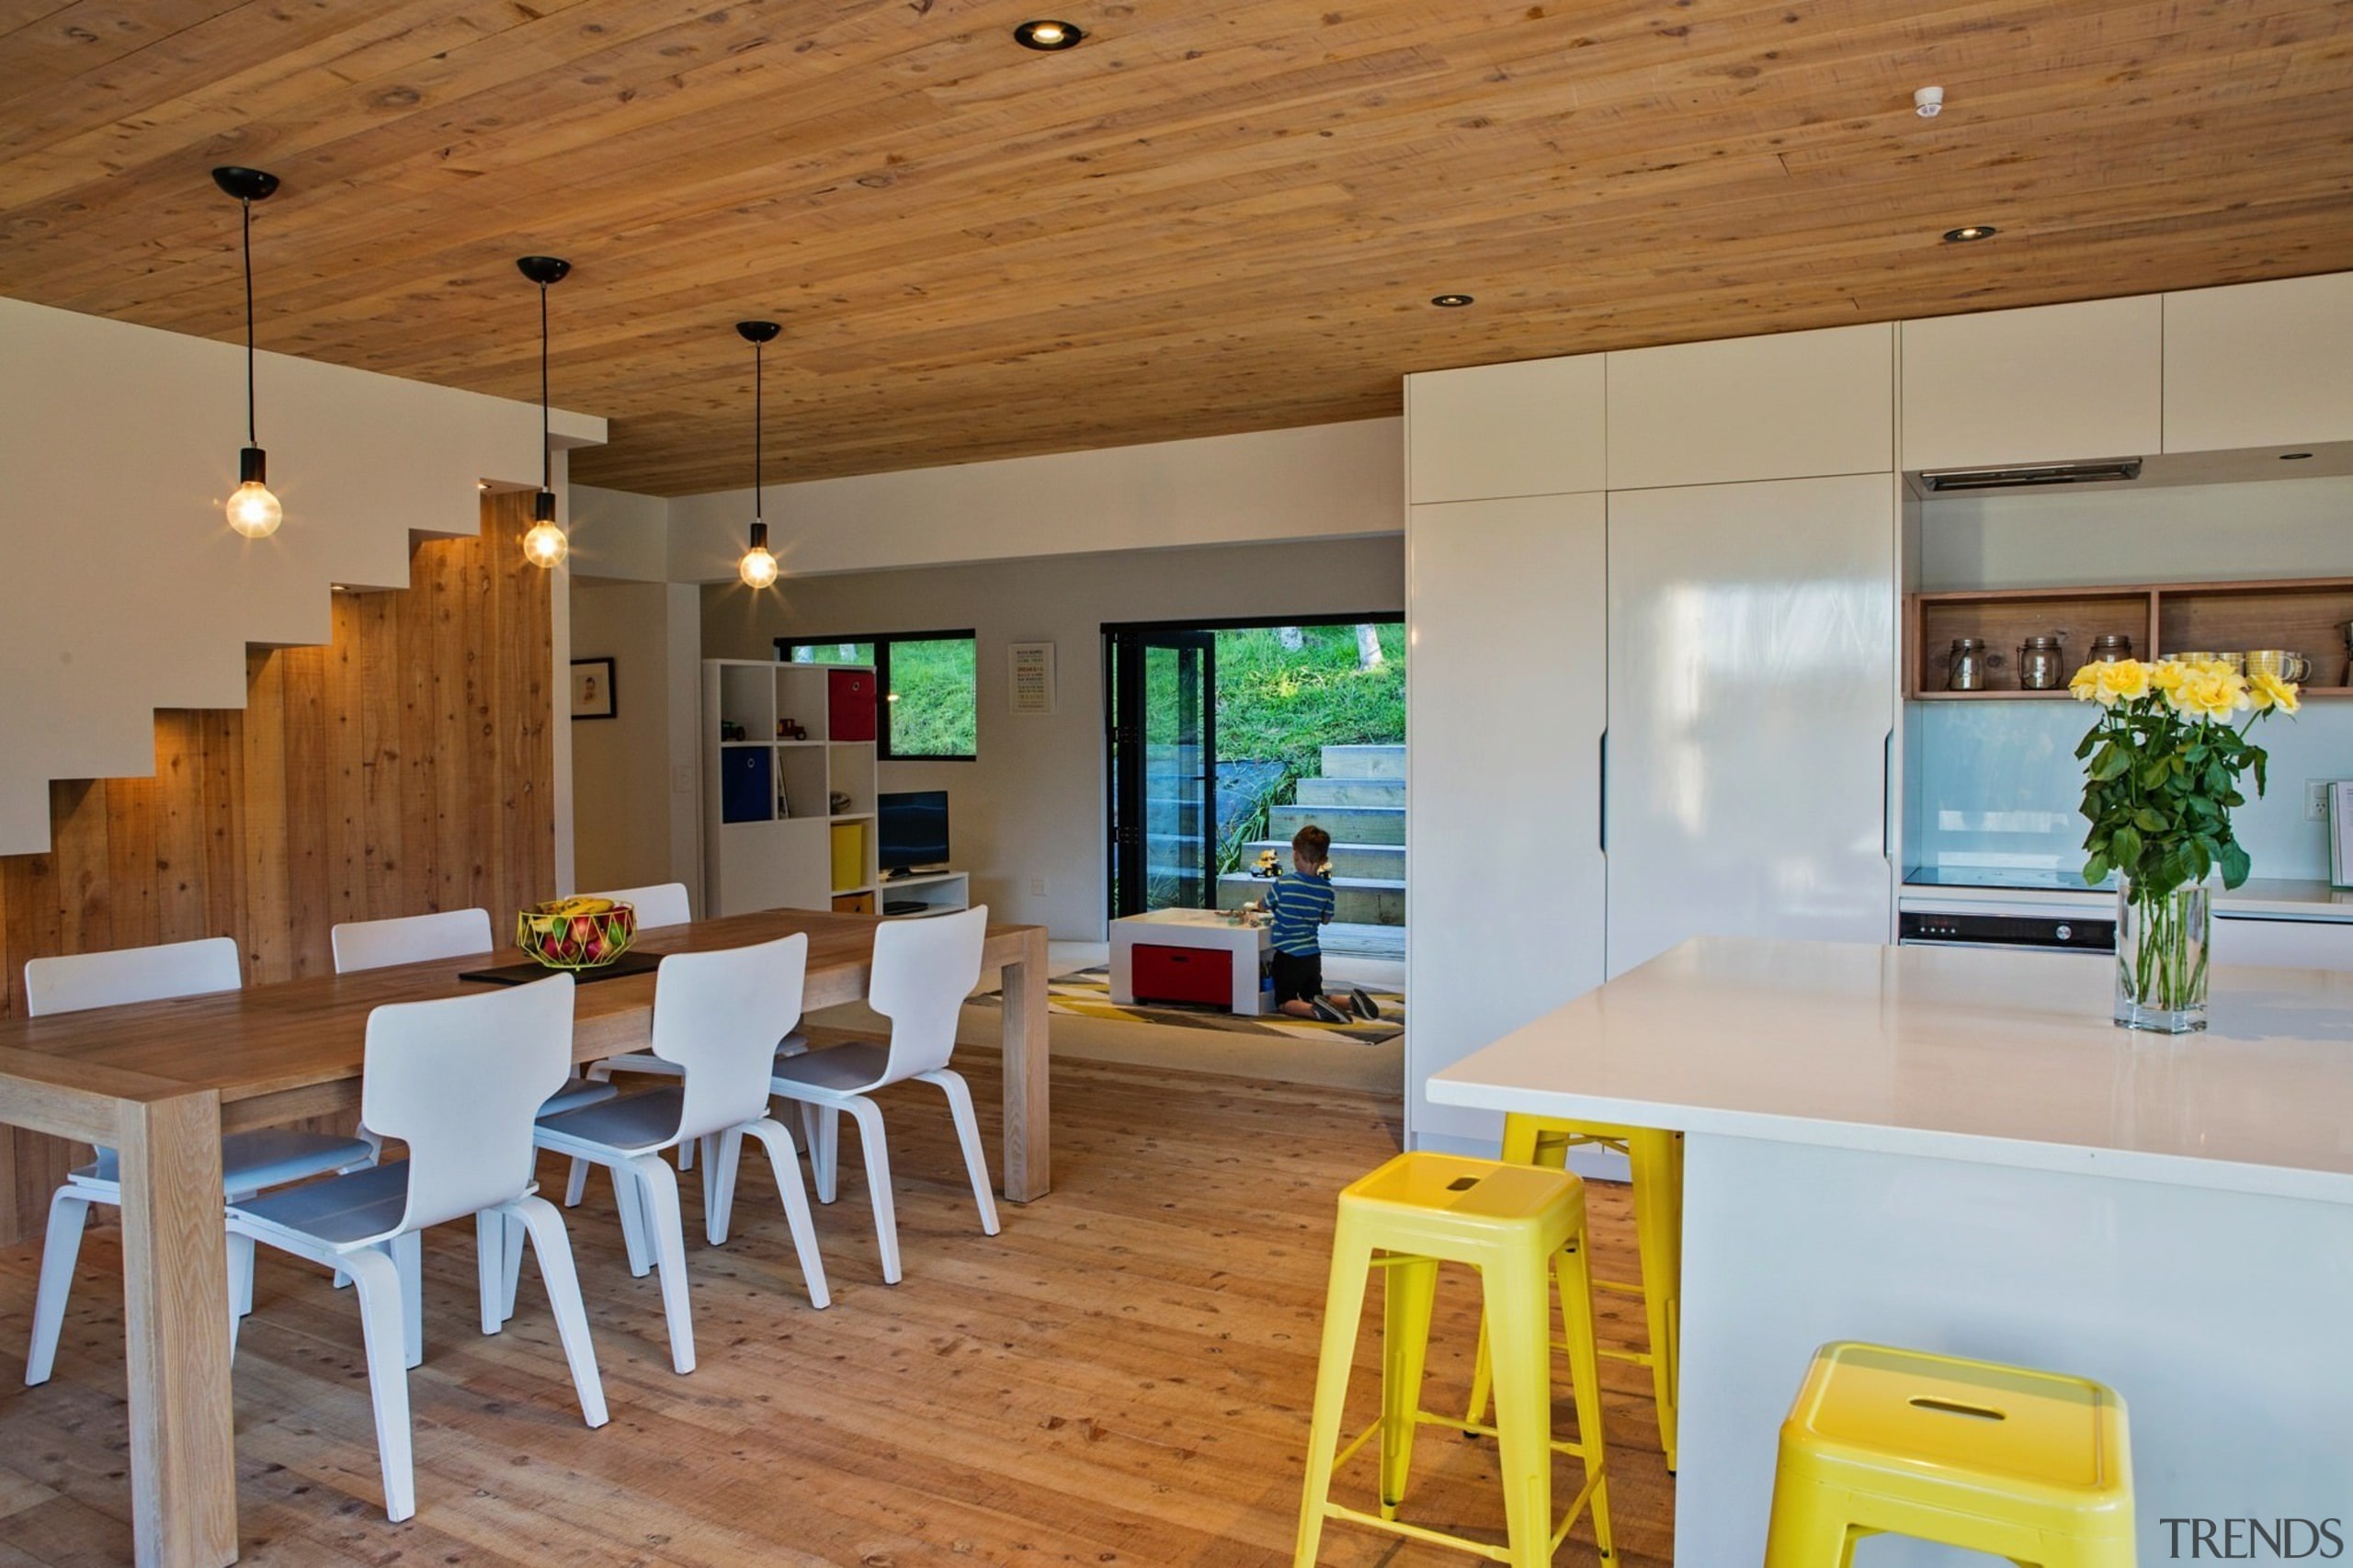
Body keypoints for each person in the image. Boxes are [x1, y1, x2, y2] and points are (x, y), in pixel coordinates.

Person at [1264, 824, 1381, 1023]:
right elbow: (1326, 920)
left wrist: (1256, 906)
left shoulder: (1283, 884)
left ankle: (1316, 1012)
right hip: (1312, 955)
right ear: (1324, 860)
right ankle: (1350, 1003)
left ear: (1295, 855)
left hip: (1288, 956)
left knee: (1285, 1001)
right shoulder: (1327, 889)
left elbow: (1264, 904)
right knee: (1314, 995)